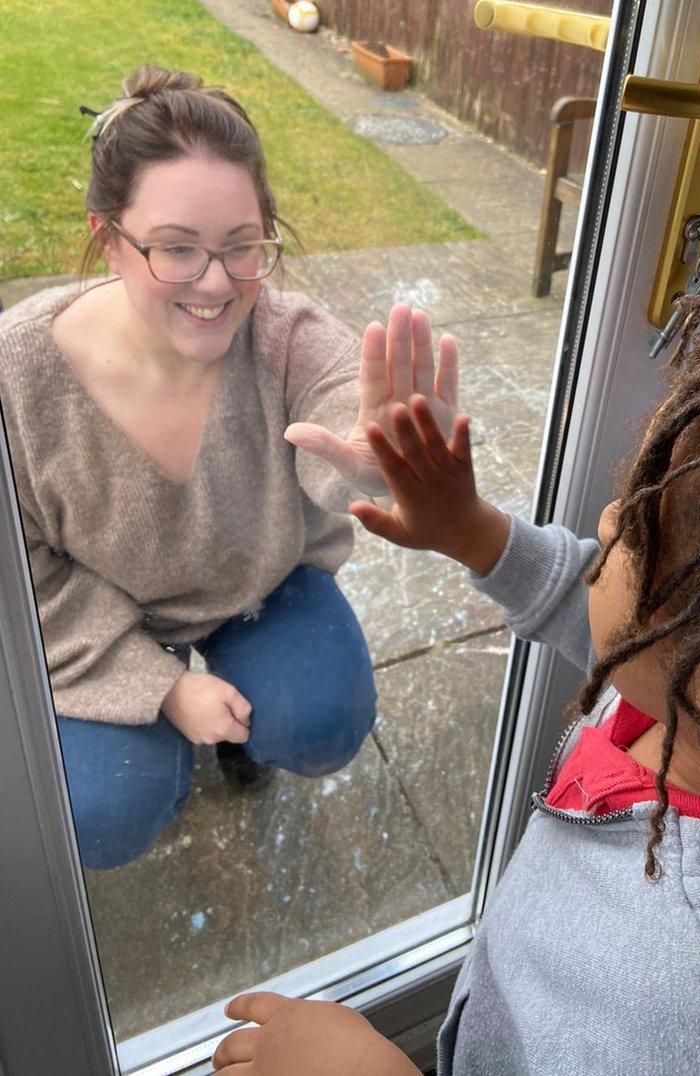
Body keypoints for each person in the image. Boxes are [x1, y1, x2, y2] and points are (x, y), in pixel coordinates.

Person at [214, 295, 700, 1075]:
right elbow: (626, 634)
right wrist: (471, 529)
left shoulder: (679, 1012)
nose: (607, 522)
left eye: (632, 540)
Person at [0, 65, 459, 870]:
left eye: (242, 247)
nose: (216, 284)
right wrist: (161, 689)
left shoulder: (285, 336)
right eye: (176, 249)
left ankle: (247, 734)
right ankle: (169, 765)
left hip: (256, 584)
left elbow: (342, 395)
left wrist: (386, 452)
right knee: (102, 813)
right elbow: (19, 573)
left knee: (322, 724)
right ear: (108, 236)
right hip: (98, 617)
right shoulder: (19, 375)